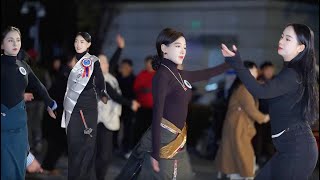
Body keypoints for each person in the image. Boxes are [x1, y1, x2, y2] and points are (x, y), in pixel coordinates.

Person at [116, 28, 229, 180]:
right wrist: (156, 153)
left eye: (185, 47)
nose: (183, 51)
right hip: (163, 139)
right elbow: (157, 116)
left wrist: (229, 63)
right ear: (164, 48)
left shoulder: (178, 74)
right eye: (178, 46)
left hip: (177, 137)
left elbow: (206, 73)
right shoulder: (162, 76)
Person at [221, 23, 319, 180]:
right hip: (289, 149)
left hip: (297, 150)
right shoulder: (291, 72)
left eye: (288, 39)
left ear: (301, 48)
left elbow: (261, 91)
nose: (281, 41)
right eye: (281, 36)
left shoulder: (292, 75)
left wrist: (238, 64)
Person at [1, 26, 57, 180]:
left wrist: (50, 103)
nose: (15, 43)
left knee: (19, 174)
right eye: (10, 40)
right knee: (7, 173)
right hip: (4, 130)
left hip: (21, 128)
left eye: (17, 40)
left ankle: (28, 156)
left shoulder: (23, 66)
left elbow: (39, 86)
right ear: (2, 45)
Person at [61, 32, 108, 180]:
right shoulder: (70, 61)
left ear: (88, 45)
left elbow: (99, 80)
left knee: (88, 146)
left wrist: (103, 92)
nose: (78, 44)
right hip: (72, 106)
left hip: (88, 105)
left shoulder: (93, 61)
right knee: (74, 146)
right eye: (76, 41)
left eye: (82, 41)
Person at [215, 61, 270, 180]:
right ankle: (245, 174)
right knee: (244, 154)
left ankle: (235, 174)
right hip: (238, 127)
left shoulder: (243, 86)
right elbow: (251, 109)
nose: (257, 72)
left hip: (237, 126)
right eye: (255, 70)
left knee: (235, 153)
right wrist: (264, 118)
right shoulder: (244, 89)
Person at [96, 53, 140, 180]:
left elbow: (113, 62)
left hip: (110, 120)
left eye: (107, 62)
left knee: (105, 155)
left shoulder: (110, 77)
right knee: (102, 155)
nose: (107, 64)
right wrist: (130, 103)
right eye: (103, 63)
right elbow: (113, 94)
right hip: (101, 121)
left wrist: (120, 48)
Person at [132, 55, 156, 147]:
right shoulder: (141, 74)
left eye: (151, 64)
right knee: (139, 128)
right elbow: (135, 88)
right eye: (147, 63)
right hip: (142, 107)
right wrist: (143, 90)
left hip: (155, 108)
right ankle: (136, 148)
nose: (149, 65)